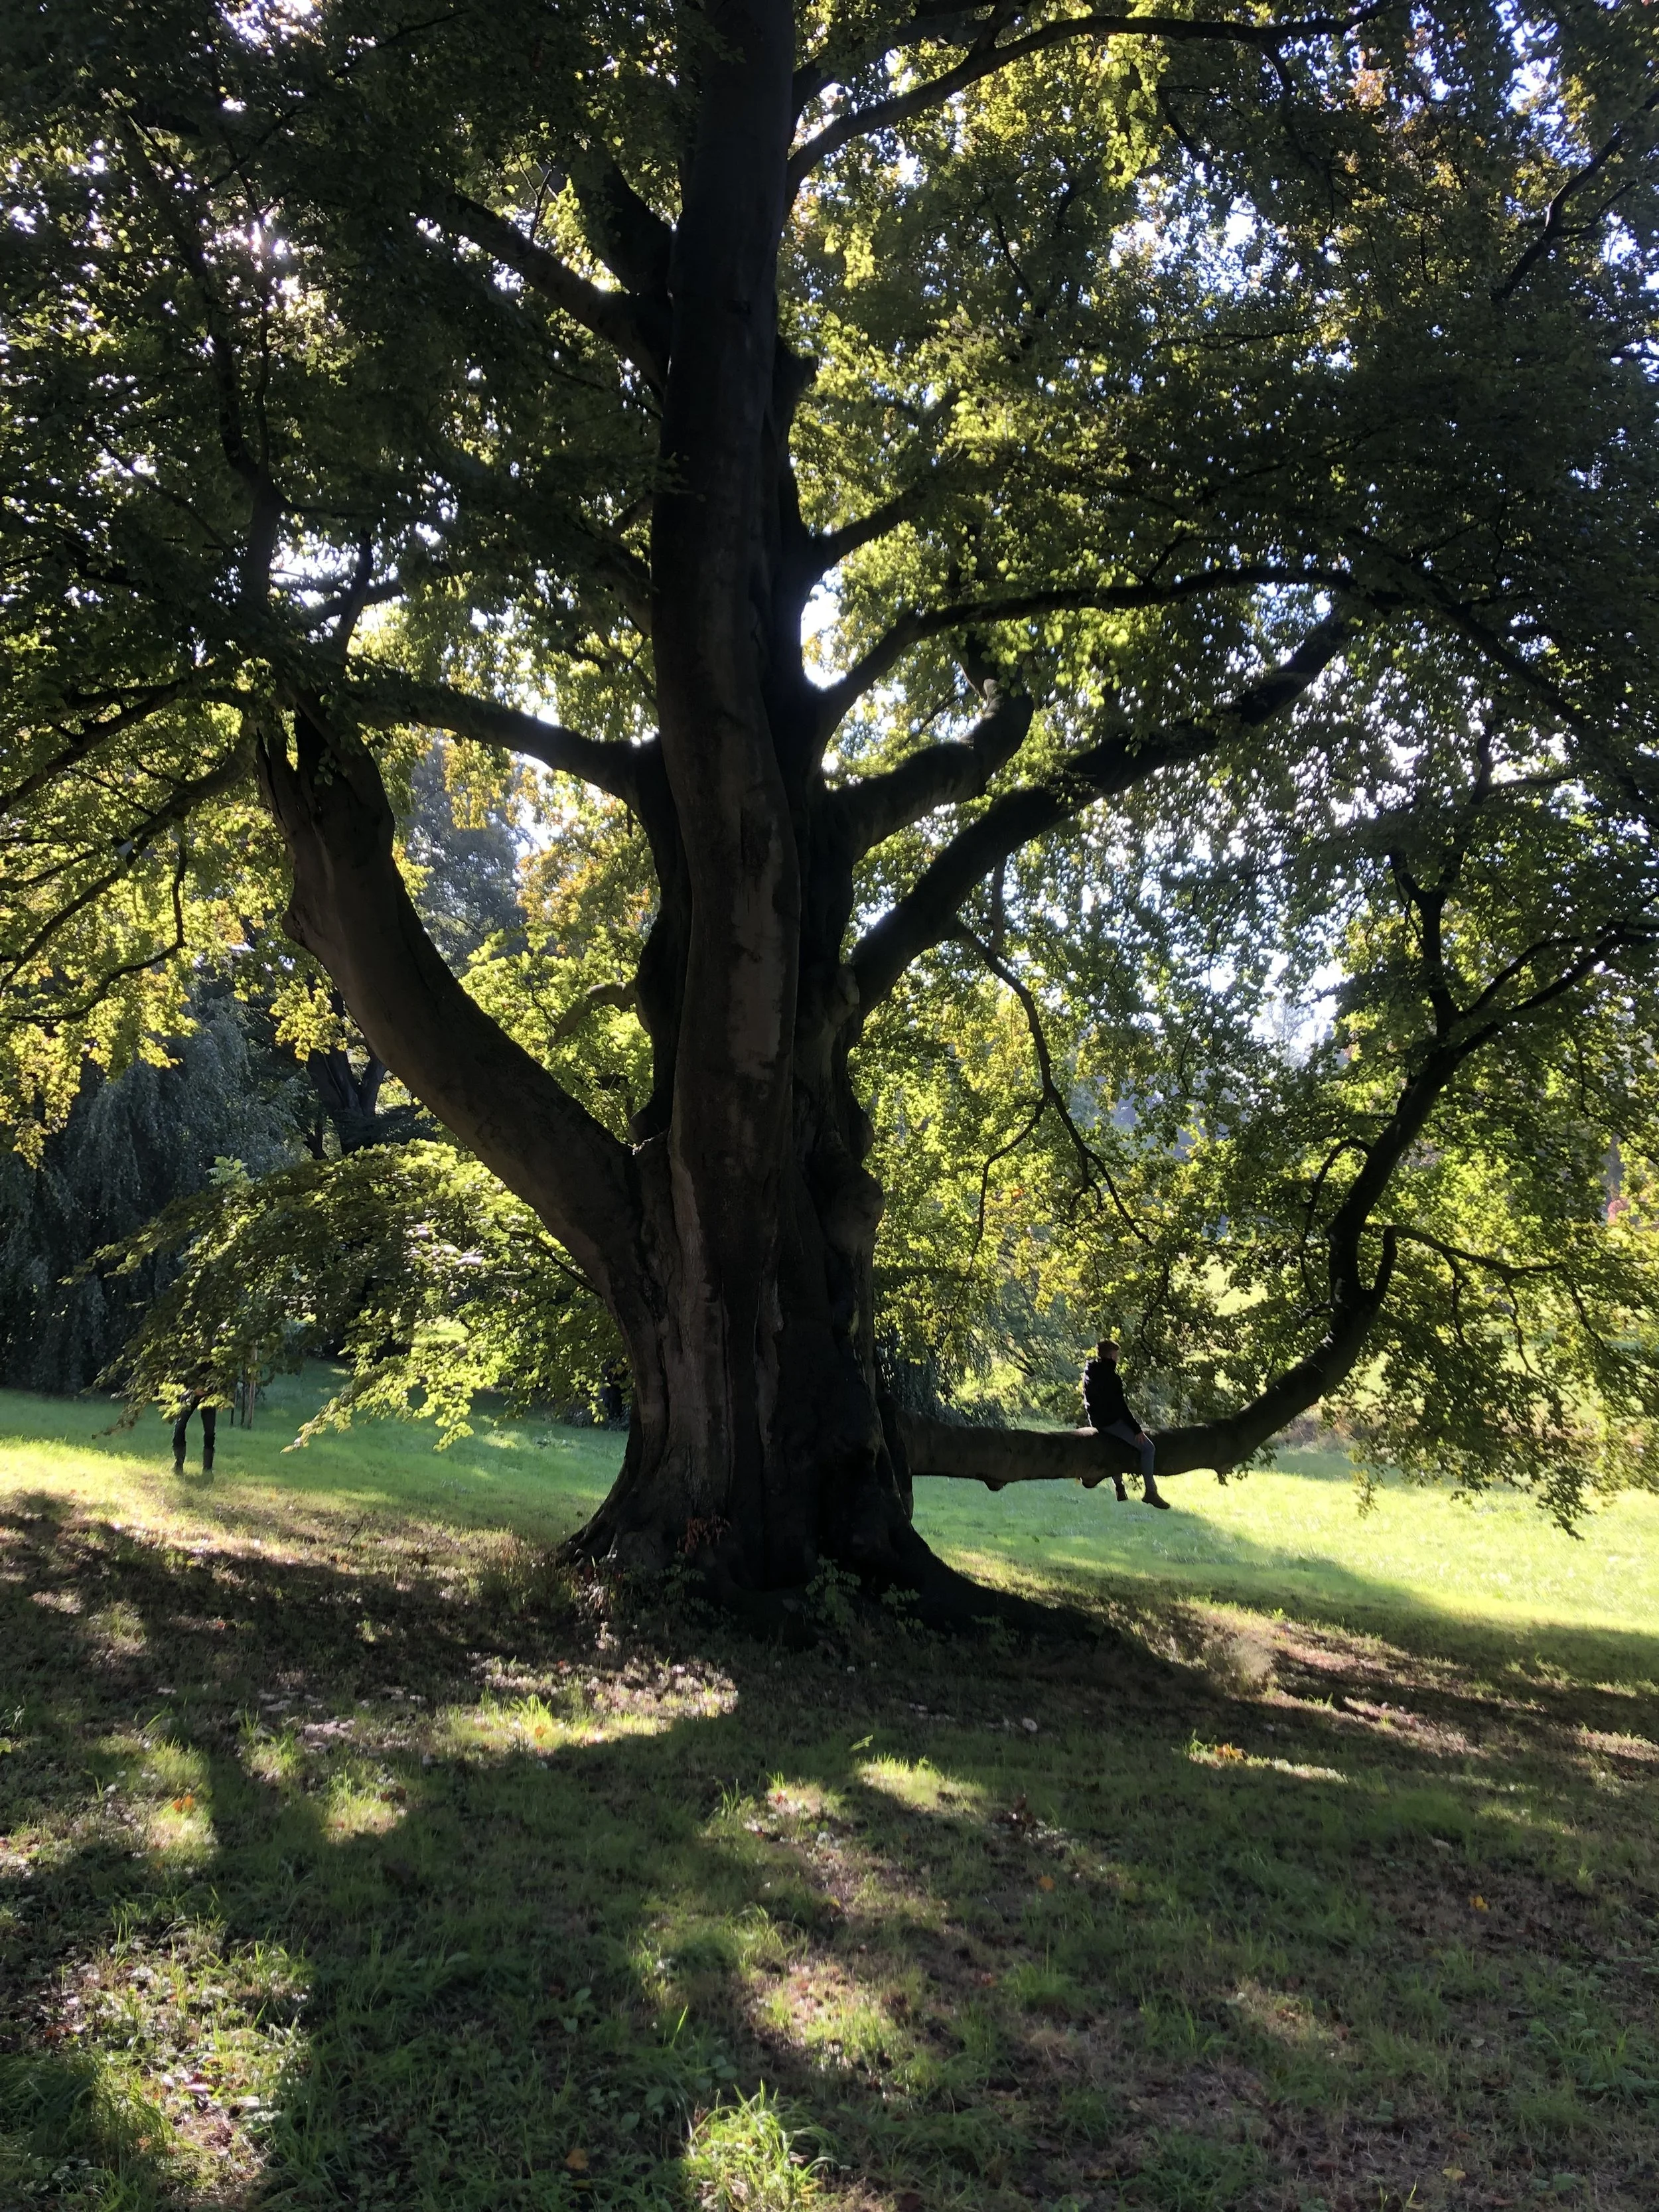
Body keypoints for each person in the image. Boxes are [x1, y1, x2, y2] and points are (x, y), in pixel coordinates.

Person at [1081, 1339, 1168, 1508]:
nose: (1118, 1358)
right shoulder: (1111, 1377)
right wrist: (1136, 1429)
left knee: (1116, 1445)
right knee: (1149, 1449)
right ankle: (1151, 1491)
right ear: (1112, 1355)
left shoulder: (1090, 1372)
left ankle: (1119, 1486)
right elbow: (1120, 1407)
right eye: (1117, 1355)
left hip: (1097, 1420)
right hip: (1111, 1421)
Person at [171, 1390, 216, 1475]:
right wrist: (193, 1390)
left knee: (209, 1432)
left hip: (208, 1395)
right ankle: (178, 1463)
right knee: (179, 1427)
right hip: (188, 1393)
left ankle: (208, 1468)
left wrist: (208, 1390)